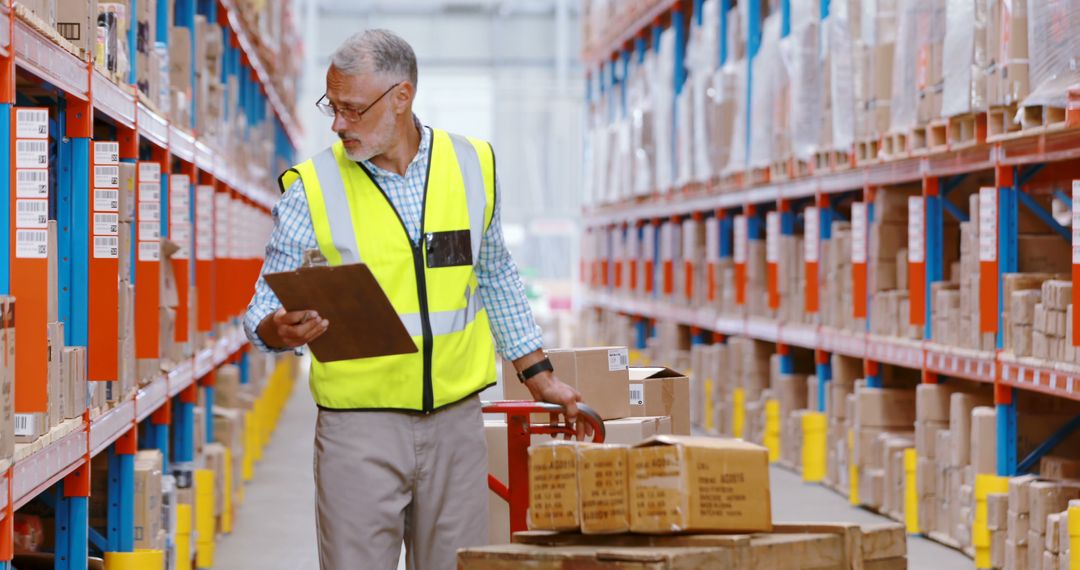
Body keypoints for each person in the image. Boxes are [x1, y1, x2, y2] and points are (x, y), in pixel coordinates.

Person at [243, 29, 589, 570]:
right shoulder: (312, 186)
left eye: (352, 110)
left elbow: (495, 274)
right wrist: (273, 329)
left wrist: (537, 373)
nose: (338, 125)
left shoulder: (473, 165)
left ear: (401, 97)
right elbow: (263, 300)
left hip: (455, 423)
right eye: (331, 108)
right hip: (358, 427)